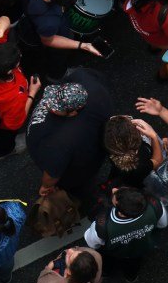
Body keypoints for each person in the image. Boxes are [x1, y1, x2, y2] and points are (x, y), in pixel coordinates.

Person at [27, 71, 114, 203]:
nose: (49, 105)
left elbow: (52, 174)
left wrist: (46, 186)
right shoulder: (84, 79)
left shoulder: (63, 141)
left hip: (75, 171)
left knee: (75, 187)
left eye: (56, 107)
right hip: (93, 148)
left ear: (73, 113)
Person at [17, 0, 101, 79]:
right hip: (44, 30)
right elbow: (48, 41)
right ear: (57, 3)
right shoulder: (47, 21)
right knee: (57, 54)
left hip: (29, 7)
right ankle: (56, 75)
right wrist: (82, 45)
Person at [0, 22, 41, 160]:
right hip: (2, 118)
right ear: (10, 70)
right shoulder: (15, 95)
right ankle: (0, 152)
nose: (20, 56)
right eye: (18, 59)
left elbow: (4, 19)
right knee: (6, 135)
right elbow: (14, 123)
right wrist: (33, 93)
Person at [84, 186, 168, 283]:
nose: (114, 190)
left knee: (107, 262)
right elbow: (163, 224)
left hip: (113, 253)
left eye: (117, 194)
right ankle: (131, 277)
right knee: (133, 266)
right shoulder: (156, 206)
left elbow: (92, 243)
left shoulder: (102, 225)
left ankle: (106, 273)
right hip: (140, 250)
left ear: (120, 210)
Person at [103, 115, 160, 190]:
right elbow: (157, 161)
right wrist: (154, 136)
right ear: (138, 134)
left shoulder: (111, 148)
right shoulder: (142, 159)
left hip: (118, 175)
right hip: (136, 183)